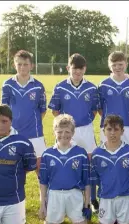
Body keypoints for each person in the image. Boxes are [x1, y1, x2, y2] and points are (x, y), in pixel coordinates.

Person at [48, 53, 100, 212]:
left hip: (86, 131)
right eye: (74, 69)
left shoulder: (91, 87)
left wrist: (85, 120)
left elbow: (95, 110)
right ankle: (63, 196)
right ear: (68, 68)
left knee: (90, 163)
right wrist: (65, 126)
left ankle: (92, 199)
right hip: (67, 131)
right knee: (65, 161)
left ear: (85, 69)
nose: (77, 73)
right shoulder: (59, 86)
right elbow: (55, 110)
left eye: (80, 70)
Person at [38, 114, 91, 224]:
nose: (63, 135)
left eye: (67, 131)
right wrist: (42, 204)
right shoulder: (47, 154)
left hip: (74, 195)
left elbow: (87, 181)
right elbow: (43, 182)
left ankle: (73, 219)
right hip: (55, 195)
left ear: (73, 133)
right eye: (60, 131)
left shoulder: (81, 153)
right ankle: (56, 221)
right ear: (54, 132)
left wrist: (87, 203)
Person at [90, 115, 129, 224]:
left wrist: (126, 185)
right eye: (109, 129)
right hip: (106, 197)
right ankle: (111, 221)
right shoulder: (97, 153)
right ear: (104, 131)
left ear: (122, 131)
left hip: (125, 197)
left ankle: (120, 222)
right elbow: (94, 177)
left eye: (116, 129)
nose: (112, 133)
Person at [1, 50, 47, 173]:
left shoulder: (38, 86)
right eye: (19, 64)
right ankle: (16, 192)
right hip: (14, 133)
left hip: (35, 133)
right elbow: (4, 111)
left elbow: (42, 110)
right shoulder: (7, 85)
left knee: (40, 168)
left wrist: (31, 122)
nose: (22, 67)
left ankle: (43, 193)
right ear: (14, 65)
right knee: (15, 169)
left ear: (32, 66)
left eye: (25, 64)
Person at [98, 51, 129, 147]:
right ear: (109, 66)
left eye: (120, 64)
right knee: (106, 153)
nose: (117, 67)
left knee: (127, 154)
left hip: (126, 126)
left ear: (126, 64)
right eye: (114, 65)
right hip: (107, 127)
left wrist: (126, 118)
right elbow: (99, 108)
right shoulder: (103, 85)